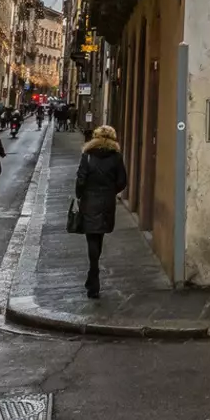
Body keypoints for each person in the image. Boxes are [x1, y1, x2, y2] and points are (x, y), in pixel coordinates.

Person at [74, 124, 129, 298]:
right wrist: (111, 191)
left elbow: (80, 179)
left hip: (89, 200)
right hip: (107, 201)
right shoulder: (116, 157)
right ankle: (94, 271)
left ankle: (94, 271)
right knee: (100, 235)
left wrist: (79, 194)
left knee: (91, 235)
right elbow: (122, 181)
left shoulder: (88, 156)